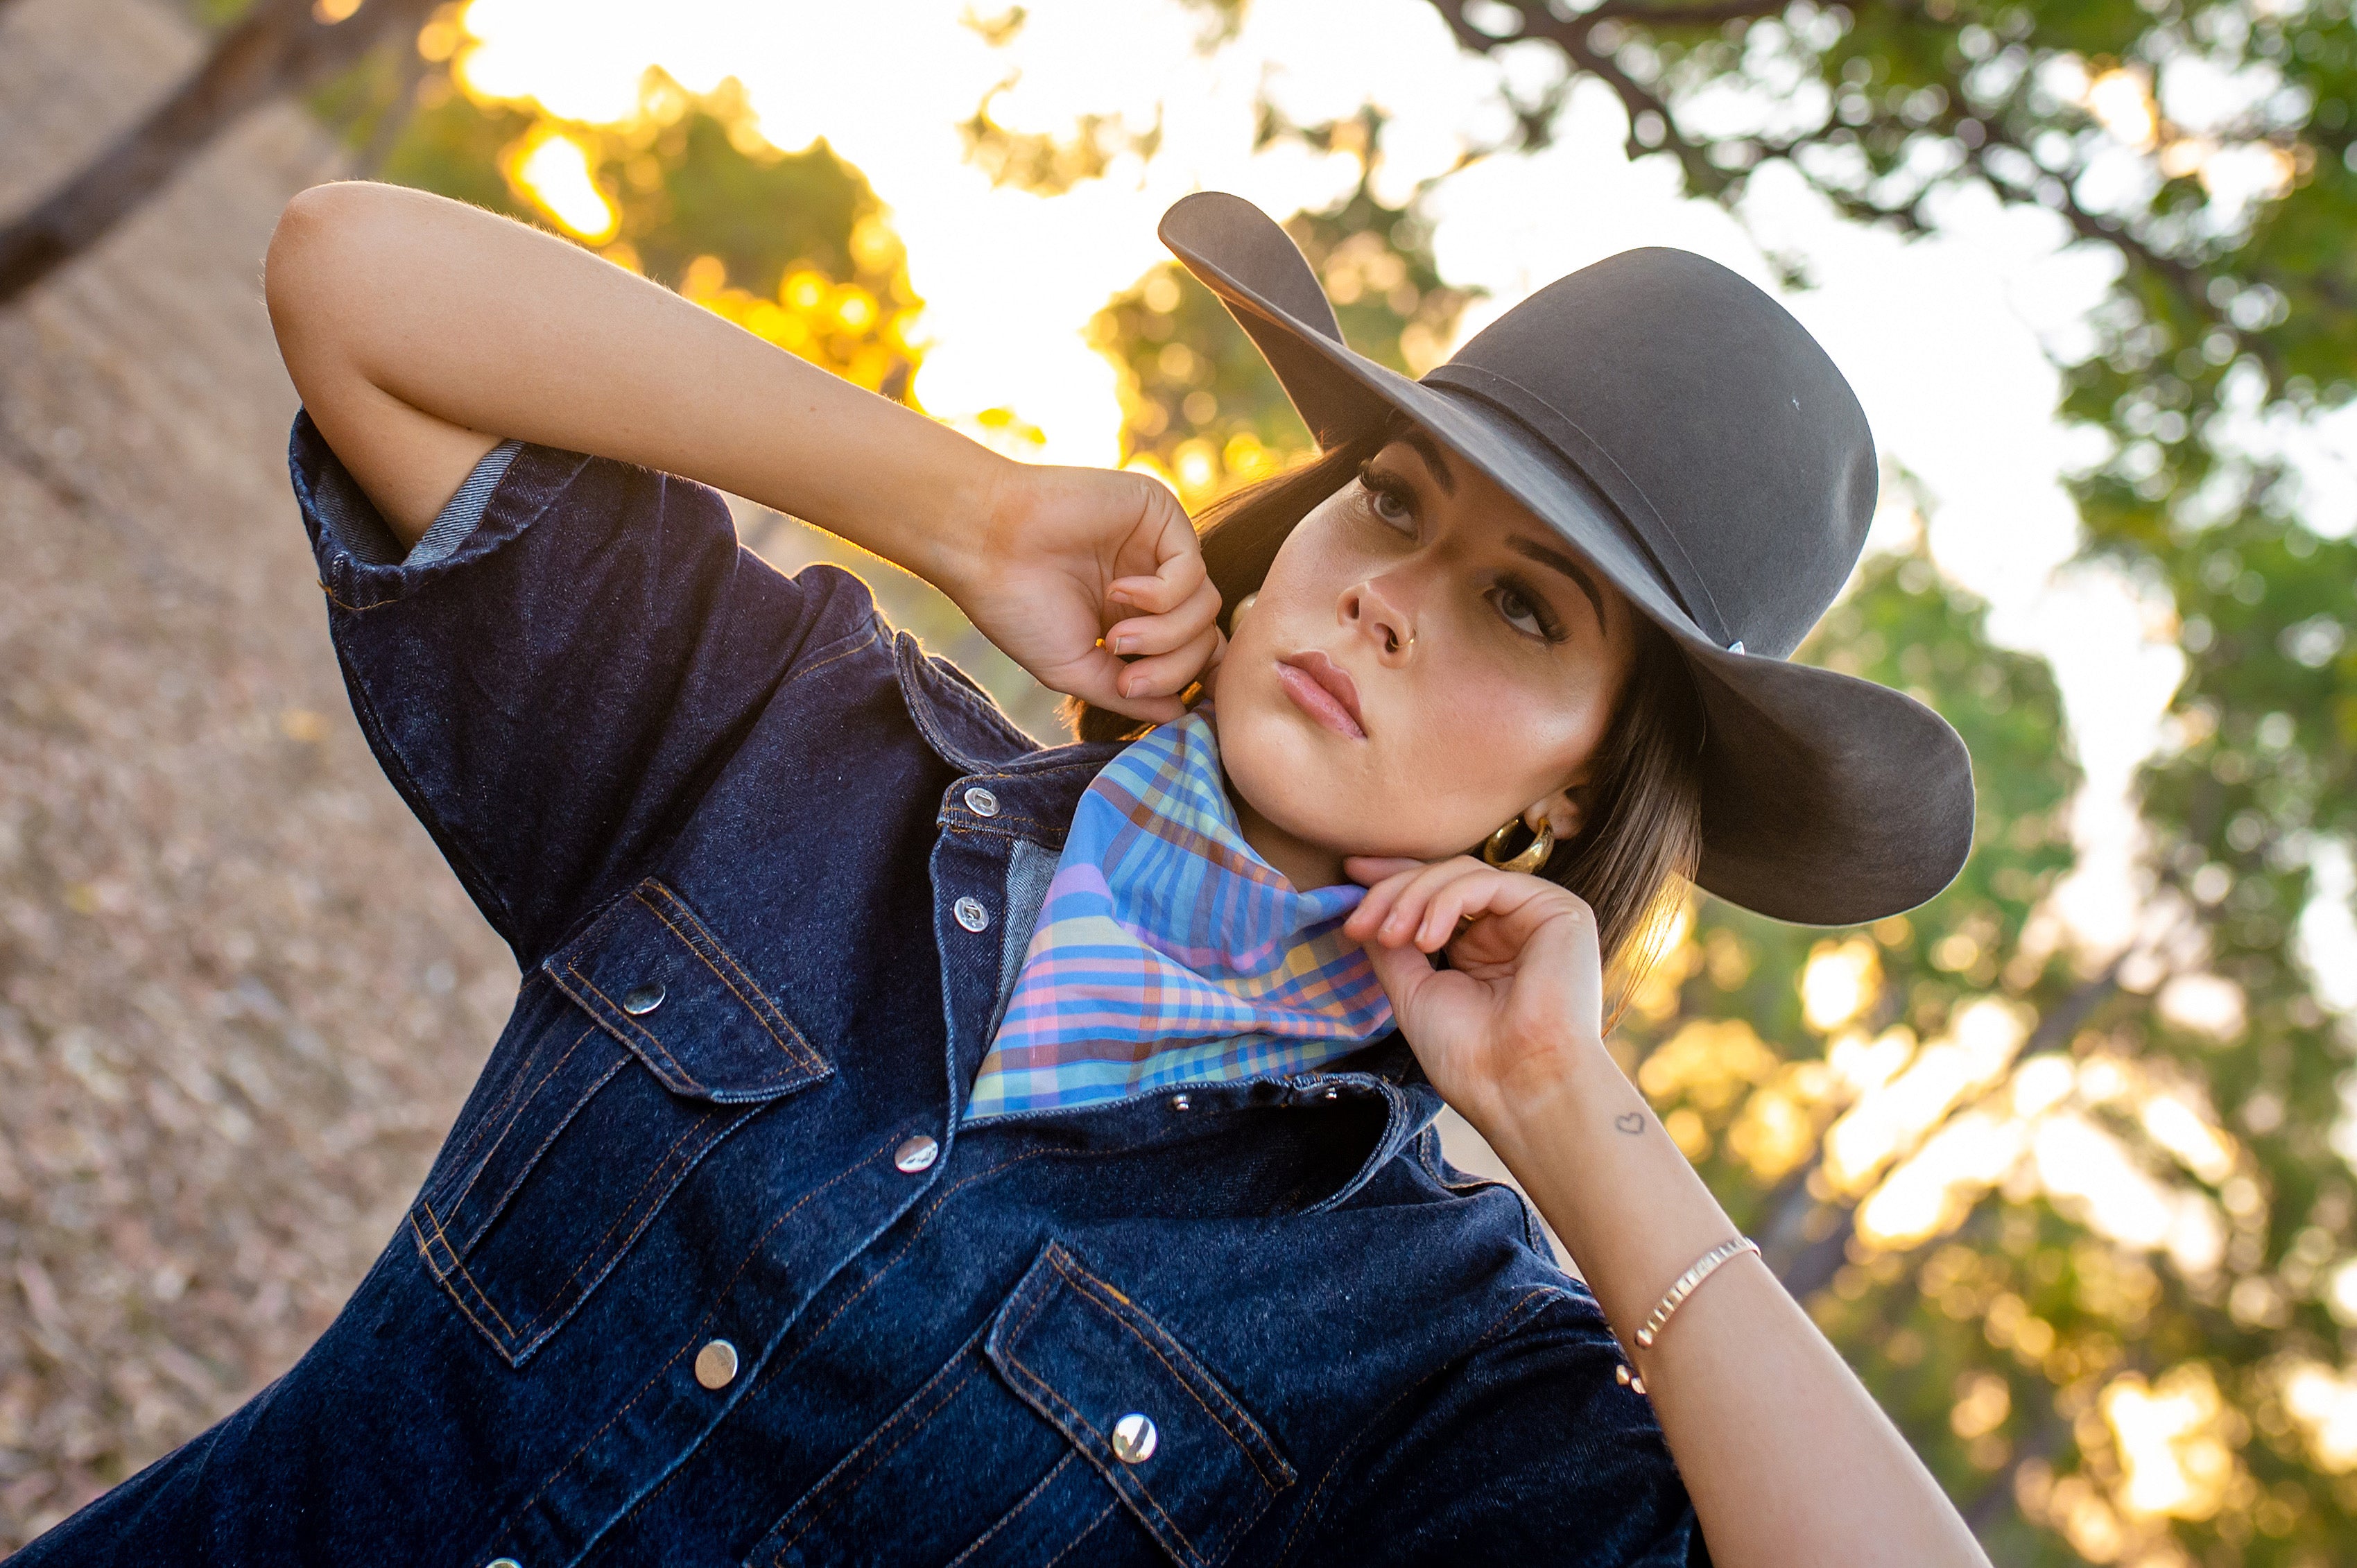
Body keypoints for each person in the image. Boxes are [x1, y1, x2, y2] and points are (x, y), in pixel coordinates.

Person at [17, 180, 1989, 1567]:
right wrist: (960, 505)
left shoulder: (1424, 1345)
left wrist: (1572, 1112)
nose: (1388, 596)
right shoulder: (804, 759)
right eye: (1394, 499)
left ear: (1577, 793)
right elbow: (356, 281)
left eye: (1523, 609)